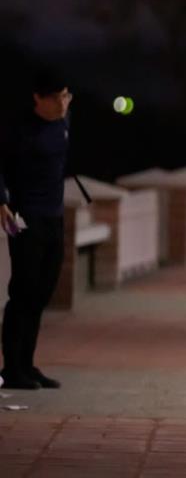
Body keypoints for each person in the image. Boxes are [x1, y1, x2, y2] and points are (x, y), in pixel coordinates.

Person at [0, 71, 73, 390]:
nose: (62, 103)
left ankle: (28, 365)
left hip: (54, 218)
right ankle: (12, 369)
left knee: (43, 291)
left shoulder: (64, 122)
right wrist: (1, 200)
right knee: (23, 292)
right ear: (37, 98)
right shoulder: (18, 128)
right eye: (56, 97)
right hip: (22, 217)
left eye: (66, 96)